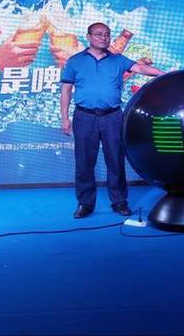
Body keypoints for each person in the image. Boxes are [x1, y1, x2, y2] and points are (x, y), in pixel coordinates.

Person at [60, 22, 165, 218]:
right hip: (84, 117)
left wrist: (165, 75)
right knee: (84, 162)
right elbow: (65, 90)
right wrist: (65, 118)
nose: (104, 38)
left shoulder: (118, 60)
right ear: (88, 37)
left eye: (107, 34)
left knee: (115, 160)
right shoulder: (75, 61)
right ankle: (85, 204)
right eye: (99, 34)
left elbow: (141, 68)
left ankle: (119, 202)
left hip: (112, 117)